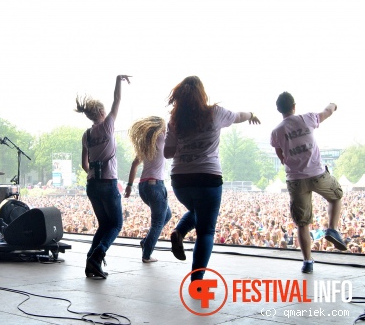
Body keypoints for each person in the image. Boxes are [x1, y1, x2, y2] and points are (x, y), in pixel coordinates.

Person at [163, 75, 260, 282]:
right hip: (207, 178)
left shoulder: (174, 121)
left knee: (198, 212)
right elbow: (238, 116)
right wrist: (251, 113)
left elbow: (167, 153)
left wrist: (182, 142)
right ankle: (197, 281)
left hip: (180, 181)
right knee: (206, 231)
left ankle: (179, 232)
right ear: (201, 93)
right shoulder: (215, 113)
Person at [270, 92, 347, 273]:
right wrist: (333, 103)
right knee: (336, 196)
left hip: (295, 180)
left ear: (279, 110)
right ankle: (332, 229)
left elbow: (279, 153)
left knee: (303, 223)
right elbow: (327, 112)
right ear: (294, 106)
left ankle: (308, 262)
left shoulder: (276, 132)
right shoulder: (307, 119)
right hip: (317, 174)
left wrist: (287, 160)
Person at [75, 74, 131, 278]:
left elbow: (84, 164)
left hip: (92, 184)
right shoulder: (108, 125)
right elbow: (117, 100)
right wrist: (118, 80)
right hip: (108, 181)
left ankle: (90, 262)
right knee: (115, 224)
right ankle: (97, 256)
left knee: (103, 224)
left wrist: (92, 173)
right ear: (100, 112)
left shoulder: (86, 135)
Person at [124, 116, 171, 263]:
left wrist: (129, 186)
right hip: (156, 185)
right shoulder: (162, 138)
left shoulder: (146, 145)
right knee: (158, 222)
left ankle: (146, 242)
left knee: (167, 215)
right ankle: (146, 254)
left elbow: (134, 165)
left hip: (143, 186)